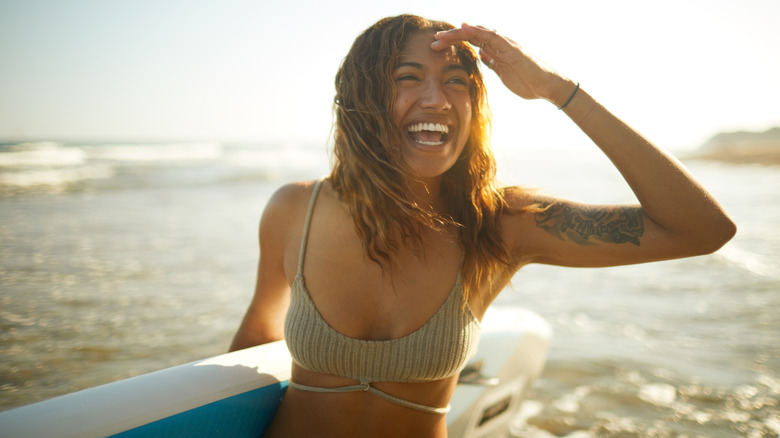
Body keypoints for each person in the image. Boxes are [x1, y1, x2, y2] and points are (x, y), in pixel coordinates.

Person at [229, 14, 736, 438]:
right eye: (408, 77)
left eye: (457, 82)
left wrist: (555, 89)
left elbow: (700, 228)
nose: (436, 100)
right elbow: (256, 331)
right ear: (362, 98)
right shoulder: (296, 209)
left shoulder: (500, 223)